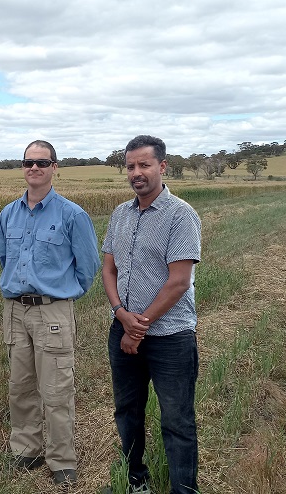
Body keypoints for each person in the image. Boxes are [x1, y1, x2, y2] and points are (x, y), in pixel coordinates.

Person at [101, 135, 201, 494]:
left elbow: (178, 283)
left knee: (177, 421)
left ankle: (183, 489)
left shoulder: (181, 215)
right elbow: (108, 269)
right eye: (130, 166)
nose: (136, 173)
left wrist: (137, 327)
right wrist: (119, 313)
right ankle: (135, 480)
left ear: (162, 166)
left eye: (144, 165)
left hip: (170, 338)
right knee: (127, 411)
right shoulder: (120, 214)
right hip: (122, 329)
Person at [0, 140, 100, 485]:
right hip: (15, 311)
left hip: (52, 313)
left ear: (55, 167)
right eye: (29, 162)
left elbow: (88, 268)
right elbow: (3, 259)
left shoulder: (73, 215)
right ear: (23, 167)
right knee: (20, 386)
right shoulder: (8, 214)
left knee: (56, 390)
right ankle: (26, 449)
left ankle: (61, 460)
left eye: (42, 162)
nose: (34, 168)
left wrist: (60, 297)